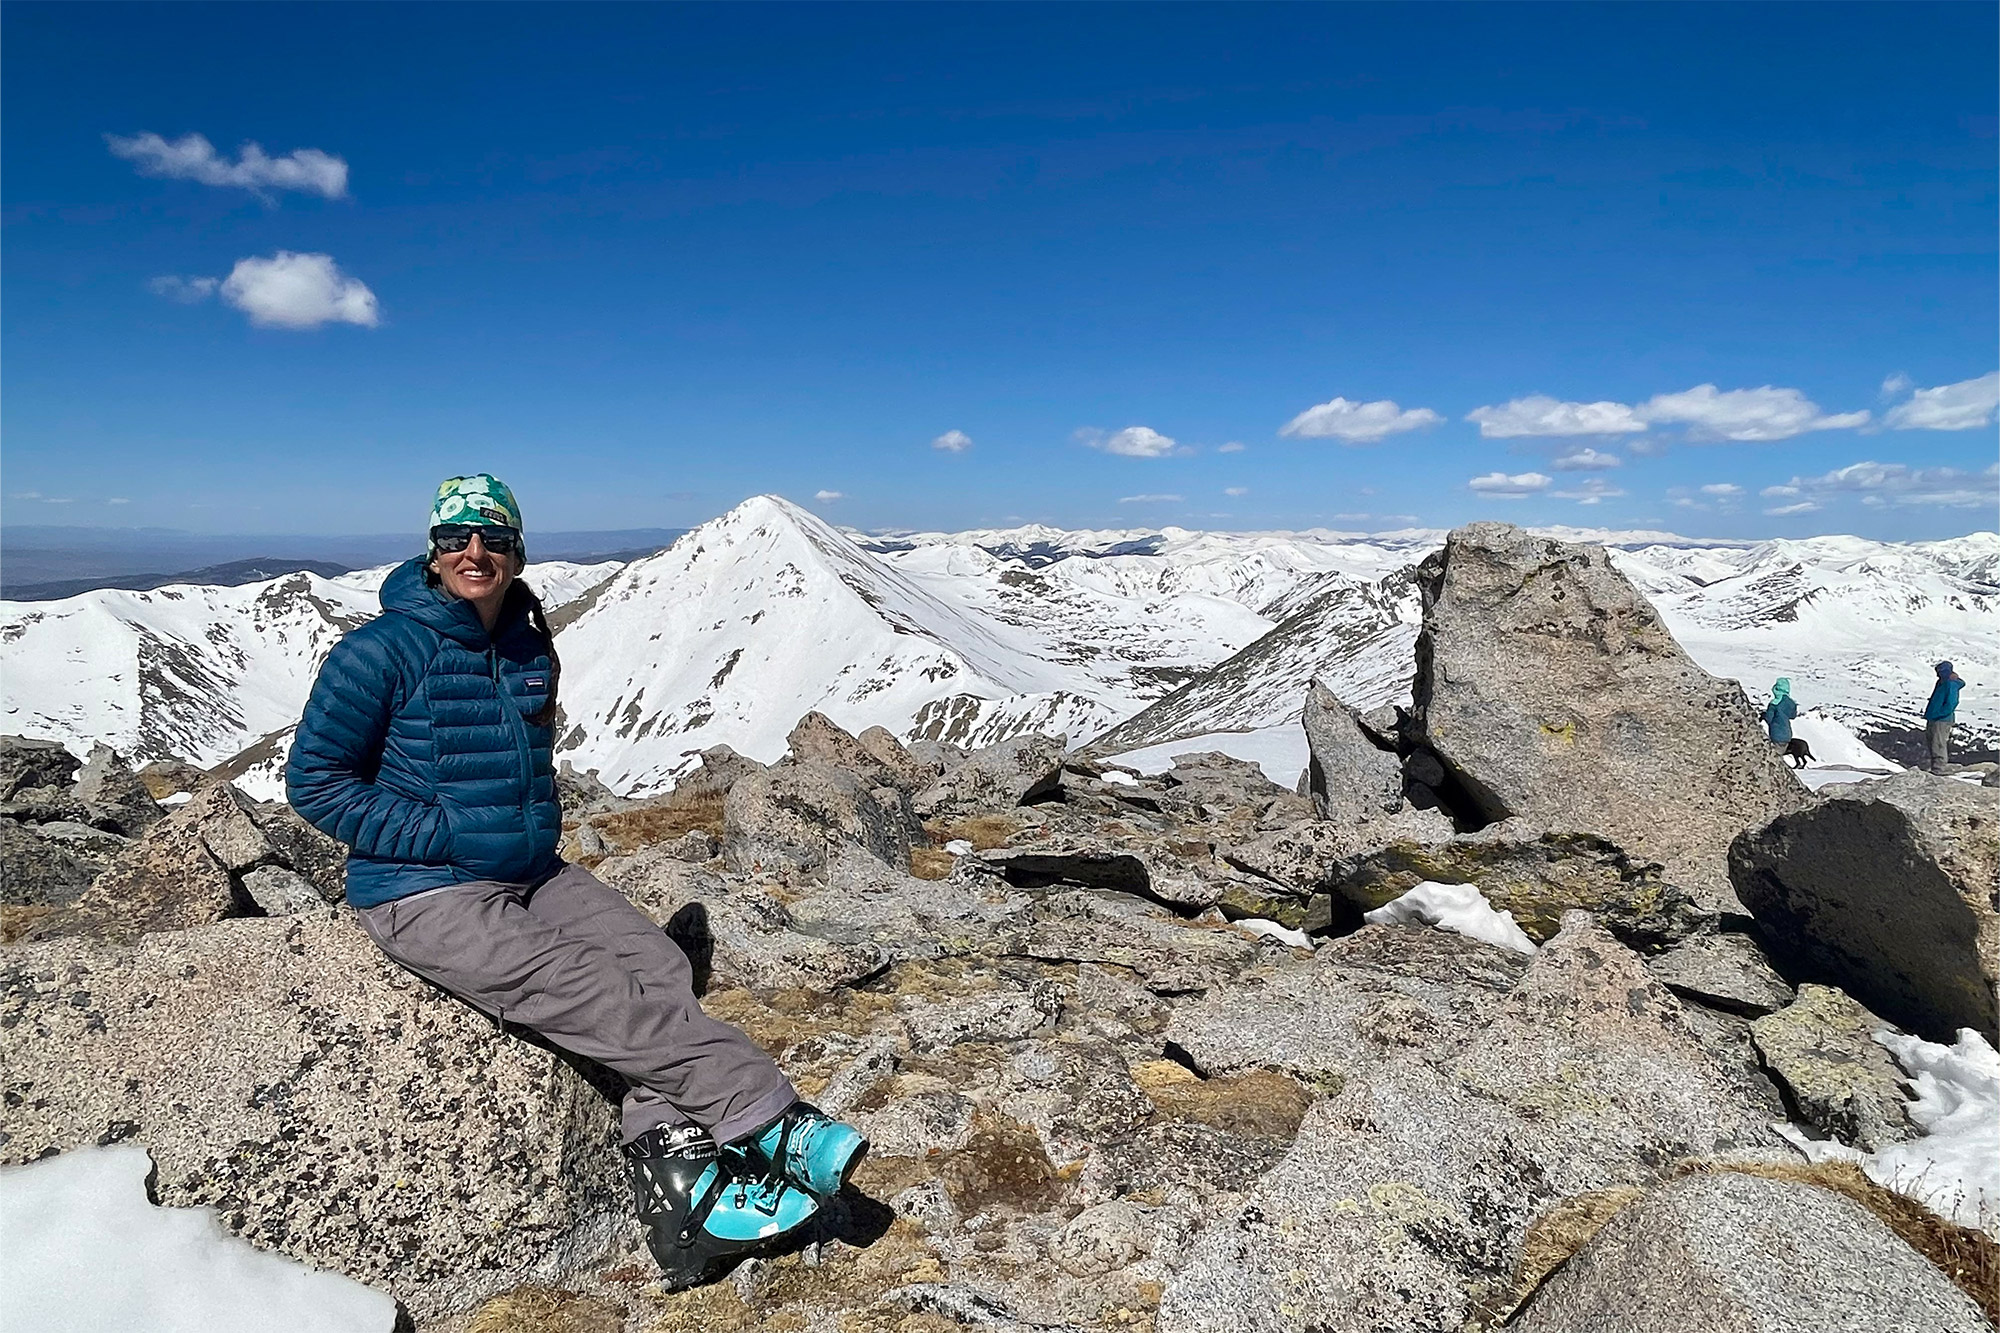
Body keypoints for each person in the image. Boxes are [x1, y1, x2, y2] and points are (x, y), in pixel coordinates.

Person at [286, 475, 867, 1291]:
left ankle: (683, 1193)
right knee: (592, 986)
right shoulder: (380, 651)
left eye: (492, 537)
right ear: (433, 551)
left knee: (657, 963)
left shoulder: (527, 643)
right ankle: (771, 1119)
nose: (474, 552)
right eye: (455, 538)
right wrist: (446, 836)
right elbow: (314, 782)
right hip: (422, 889)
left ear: (517, 550)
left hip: (531, 871)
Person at [1923, 660, 1964, 775]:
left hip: (1942, 719)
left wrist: (1939, 713)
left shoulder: (1950, 683)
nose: (1937, 674)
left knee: (1938, 743)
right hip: (1934, 717)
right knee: (1933, 742)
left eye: (1939, 671)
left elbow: (1951, 703)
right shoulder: (1941, 682)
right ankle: (1936, 767)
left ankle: (1939, 768)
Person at [1763, 678, 1799, 746]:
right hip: (1787, 735)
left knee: (1775, 752)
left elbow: (1769, 718)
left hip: (1776, 734)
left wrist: (1764, 715)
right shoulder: (1791, 703)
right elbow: (1793, 716)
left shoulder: (1774, 703)